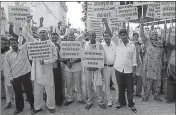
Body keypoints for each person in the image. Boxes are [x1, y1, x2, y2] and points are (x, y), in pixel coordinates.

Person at [22, 16, 57, 114]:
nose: (42, 34)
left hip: (48, 71)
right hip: (37, 72)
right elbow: (25, 34)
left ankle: (51, 105)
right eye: (40, 32)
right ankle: (37, 107)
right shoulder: (34, 42)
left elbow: (55, 57)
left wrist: (45, 61)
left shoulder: (51, 45)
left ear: (47, 34)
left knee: (49, 89)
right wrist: (27, 22)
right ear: (38, 34)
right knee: (37, 91)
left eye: (44, 32)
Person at [103, 19, 137, 113]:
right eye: (121, 35)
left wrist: (134, 70)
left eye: (124, 35)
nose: (123, 37)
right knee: (120, 88)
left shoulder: (132, 45)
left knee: (130, 89)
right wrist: (106, 23)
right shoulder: (117, 42)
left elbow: (134, 58)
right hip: (118, 69)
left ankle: (131, 104)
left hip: (128, 70)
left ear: (127, 35)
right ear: (120, 36)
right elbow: (110, 34)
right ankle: (122, 103)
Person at [4, 37, 34, 115]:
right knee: (18, 93)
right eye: (11, 43)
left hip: (25, 74)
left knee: (29, 91)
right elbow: (8, 67)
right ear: (9, 45)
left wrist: (26, 26)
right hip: (15, 76)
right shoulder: (8, 54)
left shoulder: (23, 49)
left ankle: (33, 106)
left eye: (14, 43)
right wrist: (10, 77)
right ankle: (19, 108)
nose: (13, 44)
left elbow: (29, 40)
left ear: (17, 43)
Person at [140, 19, 163, 102]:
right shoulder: (147, 42)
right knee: (148, 81)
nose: (154, 35)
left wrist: (163, 63)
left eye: (156, 34)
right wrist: (141, 25)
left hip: (157, 65)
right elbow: (142, 35)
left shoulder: (160, 43)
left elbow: (161, 54)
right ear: (150, 35)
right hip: (149, 65)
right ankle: (146, 95)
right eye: (153, 34)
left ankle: (156, 95)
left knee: (157, 81)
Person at [83, 32, 107, 110]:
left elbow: (102, 57)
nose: (92, 36)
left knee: (98, 86)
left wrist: (97, 67)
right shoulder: (85, 45)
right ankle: (89, 101)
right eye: (90, 35)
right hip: (88, 69)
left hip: (97, 69)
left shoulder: (100, 45)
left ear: (95, 36)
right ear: (88, 36)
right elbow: (84, 57)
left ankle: (100, 101)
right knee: (89, 85)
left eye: (93, 35)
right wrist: (88, 66)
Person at [61, 33, 85, 106]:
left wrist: (73, 61)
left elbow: (81, 57)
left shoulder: (78, 45)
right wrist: (67, 62)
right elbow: (62, 56)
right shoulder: (64, 46)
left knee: (78, 84)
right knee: (69, 84)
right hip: (67, 68)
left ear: (74, 37)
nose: (70, 38)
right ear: (67, 37)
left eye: (72, 36)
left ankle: (80, 98)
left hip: (77, 68)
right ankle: (69, 99)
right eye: (69, 36)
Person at [101, 31, 119, 107]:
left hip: (115, 67)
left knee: (117, 84)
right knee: (107, 85)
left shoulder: (115, 45)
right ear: (103, 37)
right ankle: (109, 100)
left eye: (107, 36)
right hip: (105, 67)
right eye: (105, 36)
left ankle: (117, 99)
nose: (106, 37)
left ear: (110, 37)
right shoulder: (101, 45)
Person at [1, 36, 14, 110]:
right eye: (2, 40)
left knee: (14, 87)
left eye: (4, 40)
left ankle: (16, 102)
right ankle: (8, 102)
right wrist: (2, 72)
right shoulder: (1, 51)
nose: (3, 42)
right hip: (5, 71)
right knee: (7, 87)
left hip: (13, 70)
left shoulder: (12, 49)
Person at [50, 33, 63, 106]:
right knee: (50, 85)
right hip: (49, 68)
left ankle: (58, 100)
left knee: (58, 84)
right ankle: (50, 100)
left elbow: (61, 56)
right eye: (53, 38)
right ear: (50, 38)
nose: (54, 39)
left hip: (57, 67)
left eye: (56, 38)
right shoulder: (47, 45)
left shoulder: (59, 46)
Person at [165, 27, 176, 103]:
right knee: (170, 82)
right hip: (172, 65)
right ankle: (170, 98)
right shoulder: (172, 46)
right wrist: (168, 33)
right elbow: (167, 43)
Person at [131, 33, 143, 97]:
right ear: (132, 37)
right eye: (135, 36)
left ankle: (138, 92)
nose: (136, 37)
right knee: (131, 77)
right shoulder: (130, 44)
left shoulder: (140, 45)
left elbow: (141, 54)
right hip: (132, 63)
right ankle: (131, 91)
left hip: (138, 63)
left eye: (137, 36)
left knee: (139, 77)